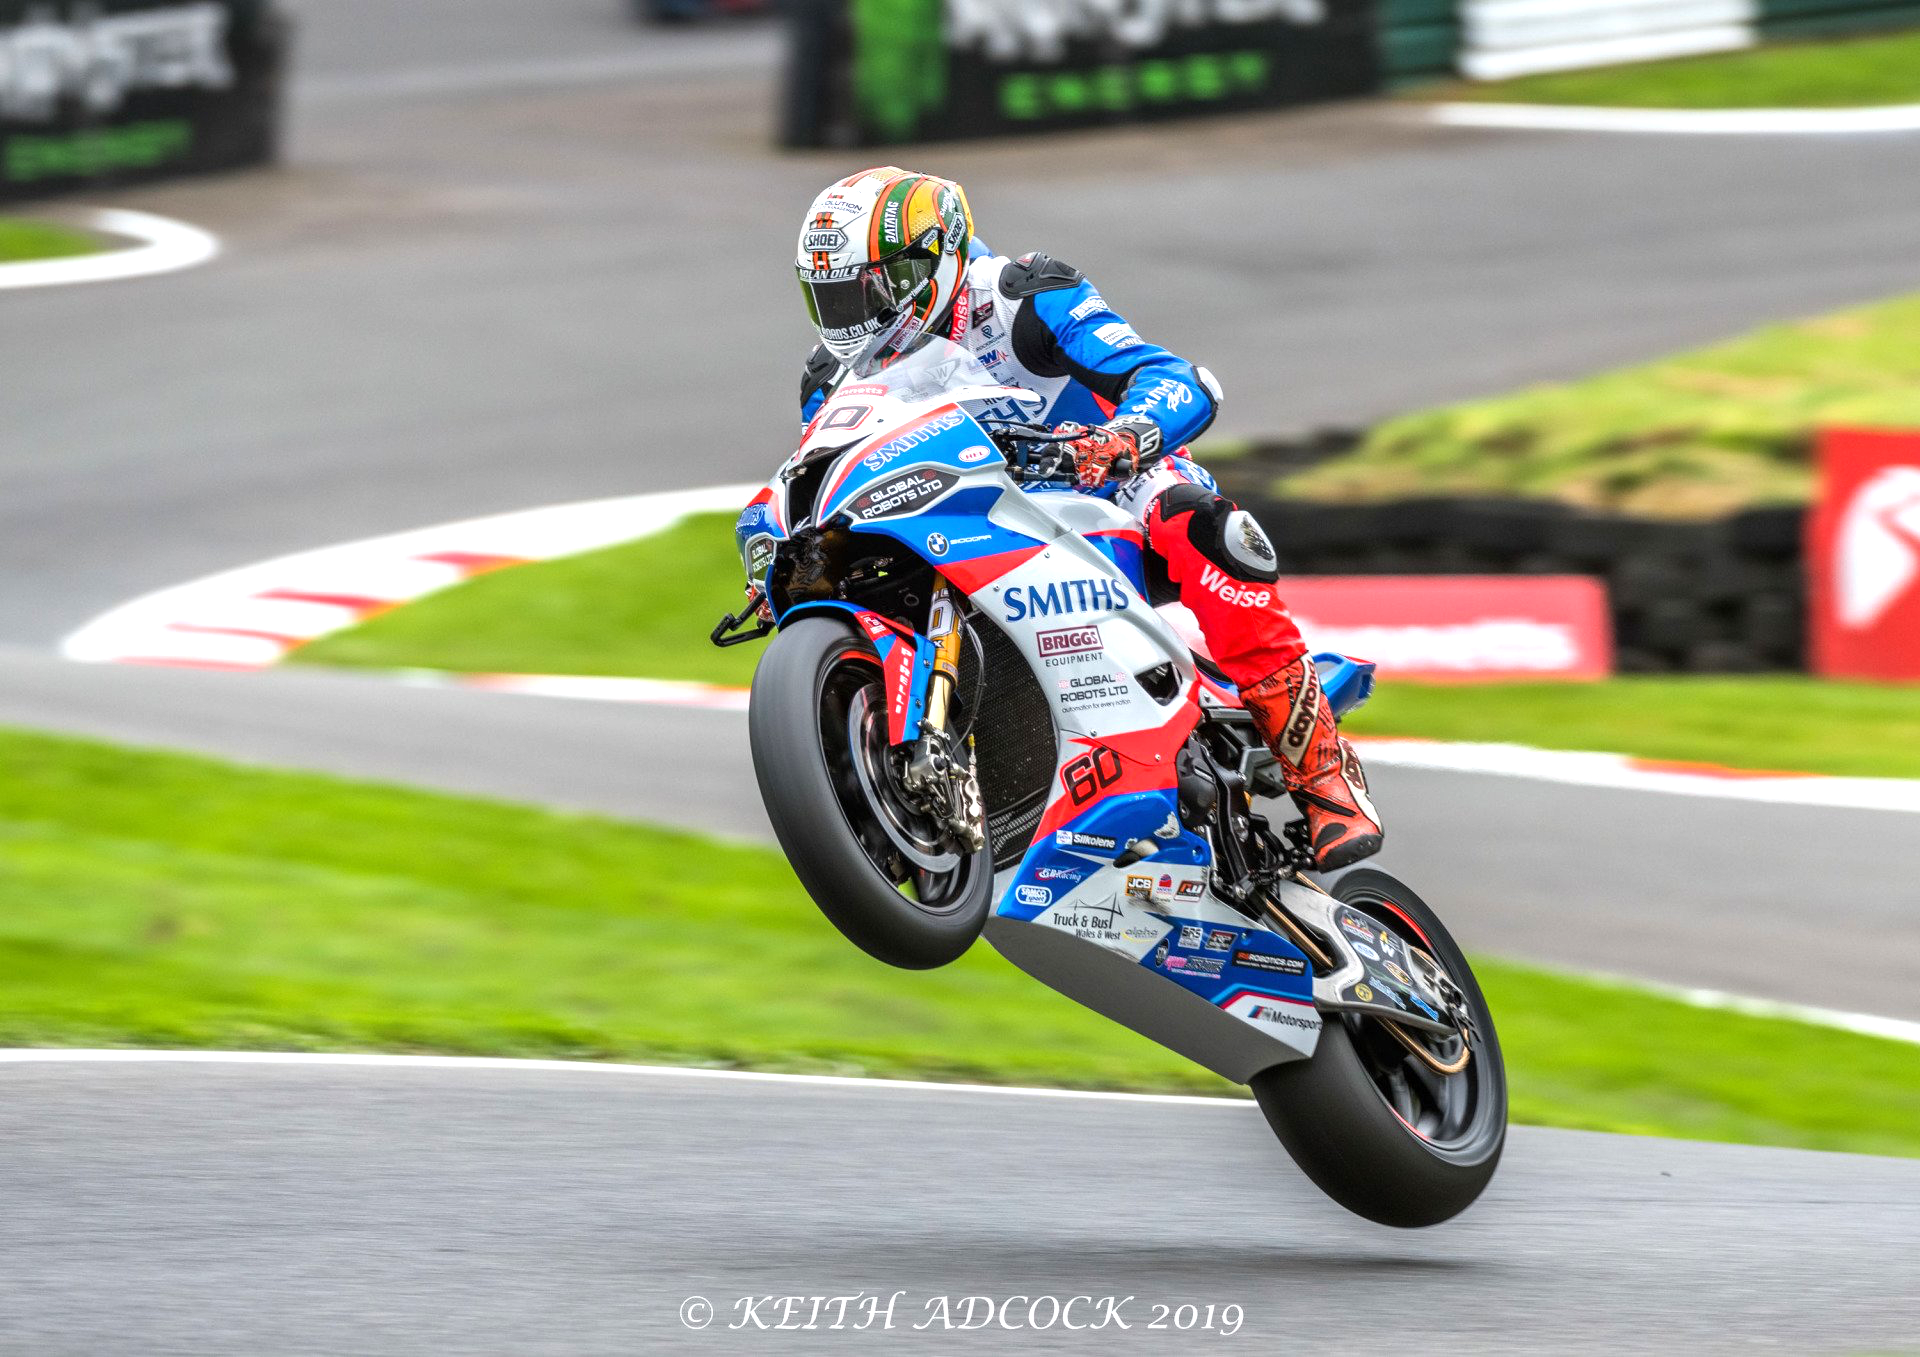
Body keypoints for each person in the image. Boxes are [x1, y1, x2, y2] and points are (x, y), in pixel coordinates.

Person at [788, 166, 1381, 870]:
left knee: (1198, 524)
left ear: (932, 258)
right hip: (961, 515)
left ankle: (1322, 773)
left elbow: (1173, 378)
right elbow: (815, 479)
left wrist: (1120, 439)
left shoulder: (1024, 295)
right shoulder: (831, 378)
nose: (854, 317)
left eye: (870, 290)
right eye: (832, 298)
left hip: (1099, 486)